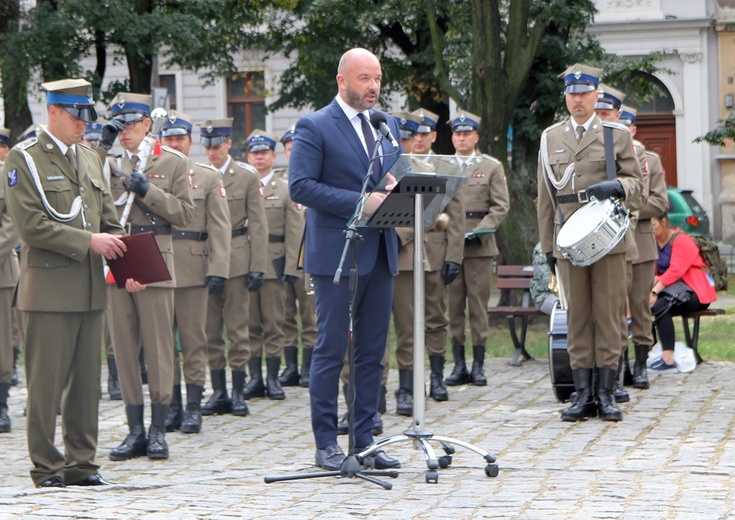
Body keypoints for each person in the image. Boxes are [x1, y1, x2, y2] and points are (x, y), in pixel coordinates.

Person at [3, 78, 127, 486]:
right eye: (77, 116)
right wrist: (89, 241)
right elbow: (32, 228)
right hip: (50, 290)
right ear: (53, 112)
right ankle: (47, 465)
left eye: (87, 116)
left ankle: (82, 463)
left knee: (87, 384)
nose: (84, 125)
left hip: (91, 288)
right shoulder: (25, 159)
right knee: (46, 384)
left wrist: (132, 268)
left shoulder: (90, 158)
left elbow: (108, 220)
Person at [289, 47, 402, 471]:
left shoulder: (386, 123)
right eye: (364, 79)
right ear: (342, 80)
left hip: (381, 251)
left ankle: (365, 439)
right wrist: (362, 202)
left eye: (377, 79)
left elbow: (391, 176)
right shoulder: (315, 125)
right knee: (332, 349)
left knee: (372, 351)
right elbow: (300, 187)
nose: (373, 87)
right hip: (336, 254)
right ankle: (326, 445)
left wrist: (400, 187)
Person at [537, 64, 642, 422]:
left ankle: (606, 392)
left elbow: (638, 186)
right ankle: (582, 393)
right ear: (565, 96)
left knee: (609, 316)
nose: (577, 99)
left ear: (597, 94)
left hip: (609, 239)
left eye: (584, 93)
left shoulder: (615, 135)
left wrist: (618, 187)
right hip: (568, 238)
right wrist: (548, 248)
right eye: (572, 93)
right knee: (578, 316)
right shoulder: (550, 137)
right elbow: (545, 198)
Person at [97, 92, 195, 461]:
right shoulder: (104, 163)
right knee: (123, 349)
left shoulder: (170, 163)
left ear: (147, 125)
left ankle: (158, 430)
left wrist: (148, 190)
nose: (125, 132)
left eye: (132, 125)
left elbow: (185, 214)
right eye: (118, 126)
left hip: (154, 260)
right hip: (118, 258)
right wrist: (102, 148)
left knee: (158, 349)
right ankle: (134, 430)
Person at [159, 111, 231, 434]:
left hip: (193, 266)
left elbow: (220, 228)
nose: (174, 144)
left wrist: (219, 269)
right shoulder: (151, 175)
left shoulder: (207, 177)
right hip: (160, 267)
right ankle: (170, 406)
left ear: (190, 142)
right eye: (169, 138)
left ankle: (192, 407)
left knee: (193, 340)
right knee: (162, 344)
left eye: (180, 139)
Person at [201, 118, 268, 417]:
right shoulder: (198, 175)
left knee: (238, 328)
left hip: (238, 258)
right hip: (205, 258)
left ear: (229, 144)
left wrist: (258, 266)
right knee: (209, 330)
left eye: (217, 146)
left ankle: (239, 391)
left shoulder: (245, 176)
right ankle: (219, 392)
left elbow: (259, 224)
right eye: (208, 146)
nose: (212, 152)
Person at [445, 110, 509, 386]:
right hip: (448, 245)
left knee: (478, 307)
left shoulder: (491, 166)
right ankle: (458, 365)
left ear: (476, 136)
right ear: (452, 138)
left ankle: (478, 365)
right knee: (453, 306)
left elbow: (500, 206)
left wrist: (480, 230)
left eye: (466, 133)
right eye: (457, 134)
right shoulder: (443, 166)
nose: (462, 138)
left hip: (479, 246)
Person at [407, 107, 464, 403]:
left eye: (424, 133)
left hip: (436, 253)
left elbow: (456, 217)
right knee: (404, 321)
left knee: (436, 317)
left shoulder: (447, 167)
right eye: (413, 134)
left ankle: (437, 377)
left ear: (434, 136)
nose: (418, 139)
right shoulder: (397, 164)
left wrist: (454, 256)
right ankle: (408, 381)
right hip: (403, 254)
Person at [245, 129, 303, 401]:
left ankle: (273, 377)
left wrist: (291, 268)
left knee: (274, 323)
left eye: (264, 153)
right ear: (247, 156)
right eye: (254, 153)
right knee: (250, 325)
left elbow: (295, 233)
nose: (259, 158)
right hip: (246, 263)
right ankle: (255, 377)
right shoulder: (242, 185)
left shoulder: (285, 190)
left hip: (274, 262)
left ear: (272, 156)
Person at [618, 105, 669, 389]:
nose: (622, 131)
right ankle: (619, 364)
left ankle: (640, 365)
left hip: (639, 240)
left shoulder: (650, 160)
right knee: (612, 307)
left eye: (627, 126)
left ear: (634, 129)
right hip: (610, 243)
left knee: (639, 305)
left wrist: (629, 209)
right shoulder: (603, 159)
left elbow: (660, 201)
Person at [649, 214, 717, 372]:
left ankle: (668, 358)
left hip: (695, 291)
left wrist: (654, 290)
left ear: (664, 222)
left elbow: (676, 270)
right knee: (643, 306)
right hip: (671, 291)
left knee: (660, 305)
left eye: (652, 225)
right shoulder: (653, 244)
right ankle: (650, 351)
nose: (649, 230)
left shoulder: (682, 240)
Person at [278, 125, 318, 389]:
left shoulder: (316, 177)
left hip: (311, 257)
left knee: (311, 317)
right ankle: (291, 366)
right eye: (290, 149)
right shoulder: (279, 181)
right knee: (284, 316)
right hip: (283, 258)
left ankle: (308, 367)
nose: (295, 153)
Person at [0, 126, 19, 433]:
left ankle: (1, 405)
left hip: (1, 269)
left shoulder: (6, 175)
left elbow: (12, 221)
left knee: (2, 342)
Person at [530, 242, 559, 315]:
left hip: (568, 295)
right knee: (562, 307)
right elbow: (546, 282)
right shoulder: (542, 248)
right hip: (544, 296)